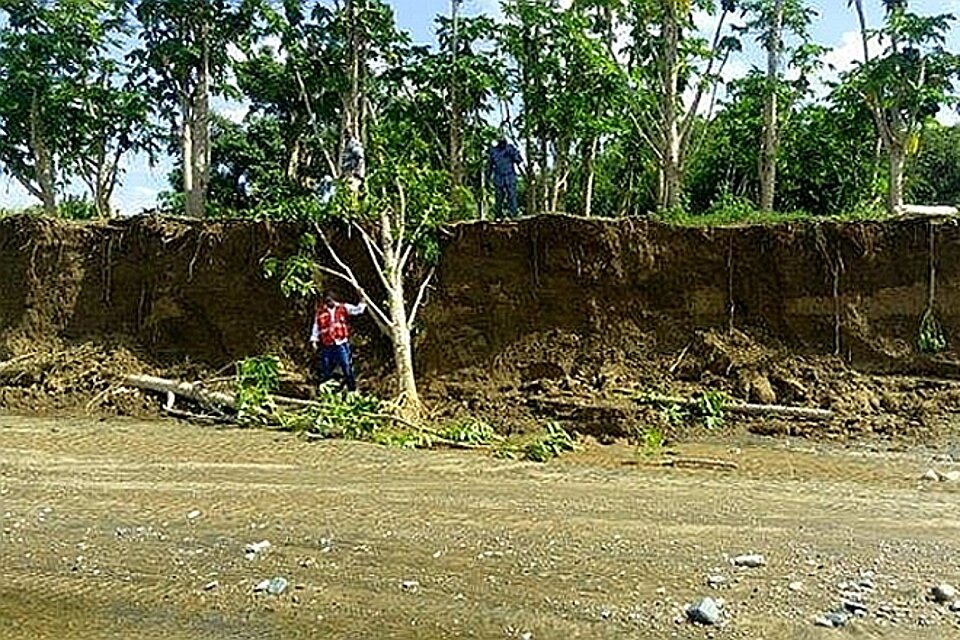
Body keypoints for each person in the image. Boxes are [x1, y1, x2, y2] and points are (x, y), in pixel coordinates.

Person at [310, 290, 366, 391]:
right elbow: (316, 327)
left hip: (340, 343)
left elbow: (358, 310)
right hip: (327, 344)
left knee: (346, 365)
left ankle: (352, 388)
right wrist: (314, 340)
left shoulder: (343, 308)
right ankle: (327, 390)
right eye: (327, 301)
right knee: (326, 368)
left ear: (334, 300)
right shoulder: (320, 312)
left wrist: (362, 300)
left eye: (331, 300)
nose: (329, 303)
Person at [486, 136, 523, 219]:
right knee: (499, 197)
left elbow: (519, 160)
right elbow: (489, 165)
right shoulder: (493, 151)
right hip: (498, 177)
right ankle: (498, 215)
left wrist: (513, 154)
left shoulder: (510, 148)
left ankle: (513, 214)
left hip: (510, 176)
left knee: (512, 196)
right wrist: (487, 177)